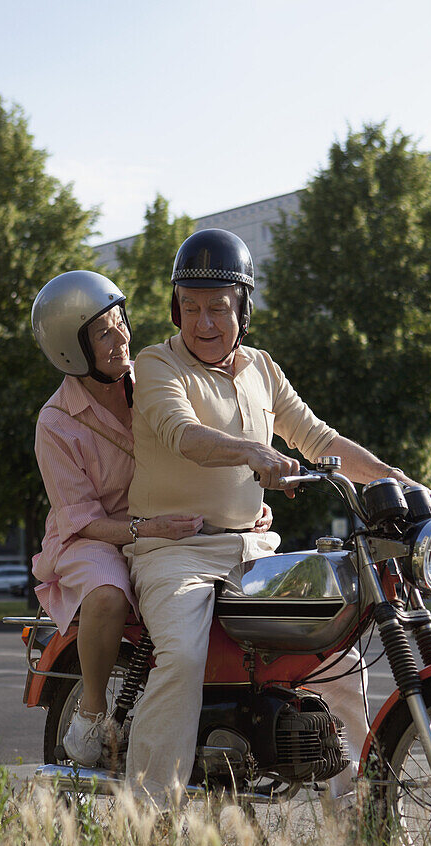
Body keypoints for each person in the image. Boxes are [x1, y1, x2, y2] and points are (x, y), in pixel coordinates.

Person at [123, 229, 428, 810]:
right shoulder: (156, 364)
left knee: (336, 658)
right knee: (183, 658)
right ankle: (149, 820)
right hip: (174, 552)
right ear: (175, 308)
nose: (203, 321)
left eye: (218, 307)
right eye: (190, 306)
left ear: (244, 308)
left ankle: (357, 826)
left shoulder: (262, 368)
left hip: (255, 550)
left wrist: (395, 476)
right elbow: (183, 435)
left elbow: (318, 437)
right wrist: (250, 451)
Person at [30, 270, 268, 765]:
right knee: (108, 593)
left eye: (121, 324)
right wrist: (145, 528)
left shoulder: (151, 376)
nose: (121, 339)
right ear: (70, 349)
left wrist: (239, 498)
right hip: (93, 535)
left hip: (168, 523)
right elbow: (79, 516)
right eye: (102, 333)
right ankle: (93, 711)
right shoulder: (55, 423)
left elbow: (193, 443)